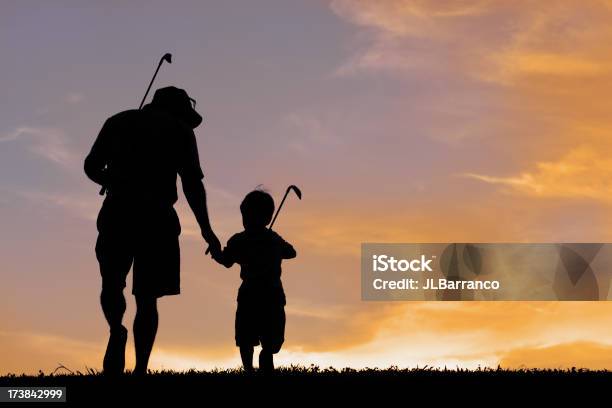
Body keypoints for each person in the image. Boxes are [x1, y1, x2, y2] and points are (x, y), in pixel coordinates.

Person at [84, 86, 221, 376]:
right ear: (179, 110)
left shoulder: (117, 121)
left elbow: (91, 166)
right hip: (157, 218)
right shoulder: (181, 131)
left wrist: (110, 178)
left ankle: (115, 330)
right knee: (147, 298)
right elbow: (192, 185)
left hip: (117, 212)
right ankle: (141, 370)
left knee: (112, 284)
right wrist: (207, 230)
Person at [212, 189, 296, 373]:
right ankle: (259, 362)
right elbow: (291, 252)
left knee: (247, 336)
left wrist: (215, 253)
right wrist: (272, 245)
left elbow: (226, 261)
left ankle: (251, 367)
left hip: (252, 294)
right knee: (264, 335)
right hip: (271, 294)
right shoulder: (272, 239)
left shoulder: (240, 240)